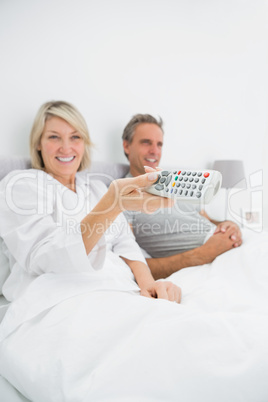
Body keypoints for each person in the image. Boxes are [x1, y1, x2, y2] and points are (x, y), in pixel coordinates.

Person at [0, 101, 180, 304]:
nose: (66, 148)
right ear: (38, 143)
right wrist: (112, 205)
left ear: (84, 143)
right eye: (54, 137)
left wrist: (148, 284)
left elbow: (125, 243)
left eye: (75, 137)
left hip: (121, 289)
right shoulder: (20, 186)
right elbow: (44, 256)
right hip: (59, 299)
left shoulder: (96, 188)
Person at [122, 113, 243, 279]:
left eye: (159, 144)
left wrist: (228, 225)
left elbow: (207, 219)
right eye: (146, 142)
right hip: (206, 264)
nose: (155, 151)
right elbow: (131, 264)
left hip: (234, 247)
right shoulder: (122, 195)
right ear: (127, 146)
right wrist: (202, 254)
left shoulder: (178, 183)